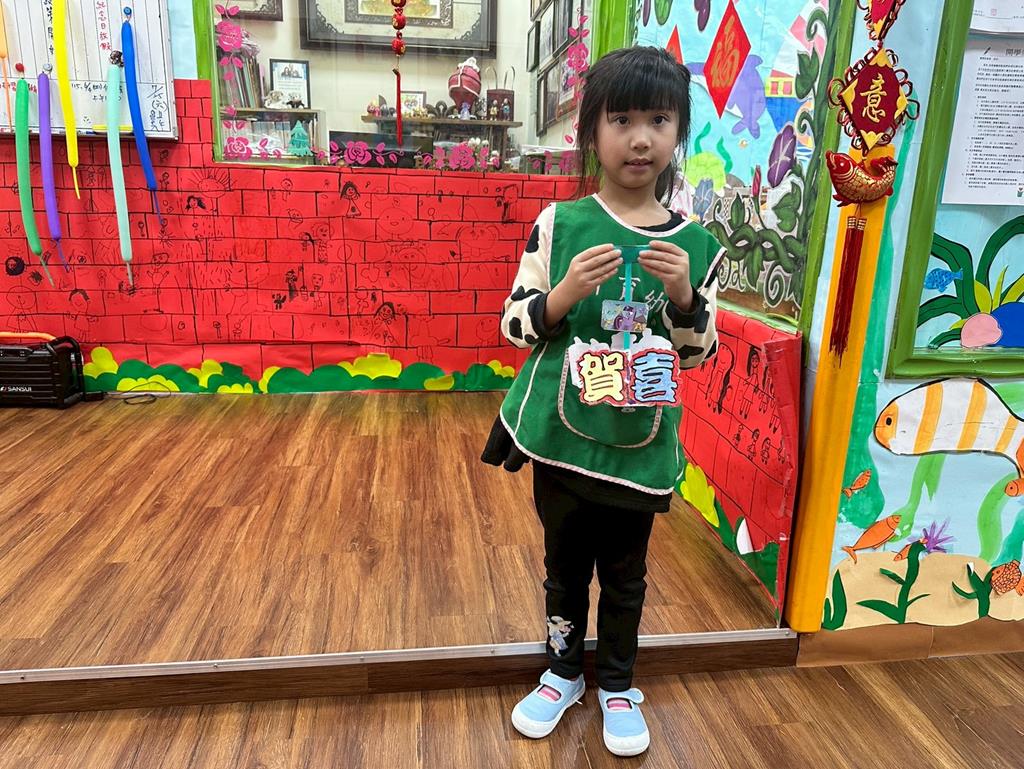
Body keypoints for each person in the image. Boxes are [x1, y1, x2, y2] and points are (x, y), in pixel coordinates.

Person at [481, 47, 725, 757]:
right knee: (564, 566)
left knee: (625, 574)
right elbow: (515, 324)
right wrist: (563, 294)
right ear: (592, 130)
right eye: (621, 120)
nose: (640, 139)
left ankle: (617, 683)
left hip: (637, 440)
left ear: (678, 132)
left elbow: (697, 355)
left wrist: (683, 295)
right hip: (560, 433)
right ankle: (562, 672)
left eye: (659, 120)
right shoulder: (560, 224)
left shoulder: (697, 245)